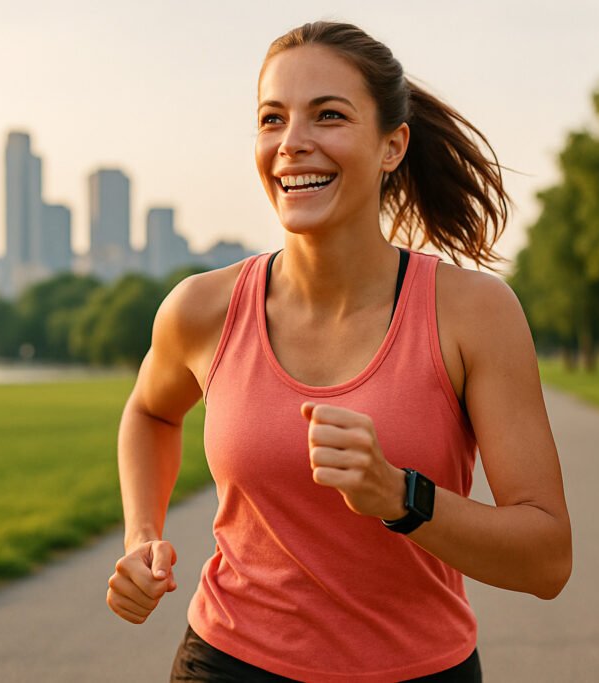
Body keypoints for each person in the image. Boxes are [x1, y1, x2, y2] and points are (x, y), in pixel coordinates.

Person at [106, 20, 572, 682]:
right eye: (272, 119)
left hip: (418, 671)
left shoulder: (473, 313)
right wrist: (141, 535)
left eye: (328, 116)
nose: (293, 143)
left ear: (392, 145)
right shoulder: (202, 309)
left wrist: (401, 495)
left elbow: (547, 557)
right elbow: (150, 412)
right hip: (228, 662)